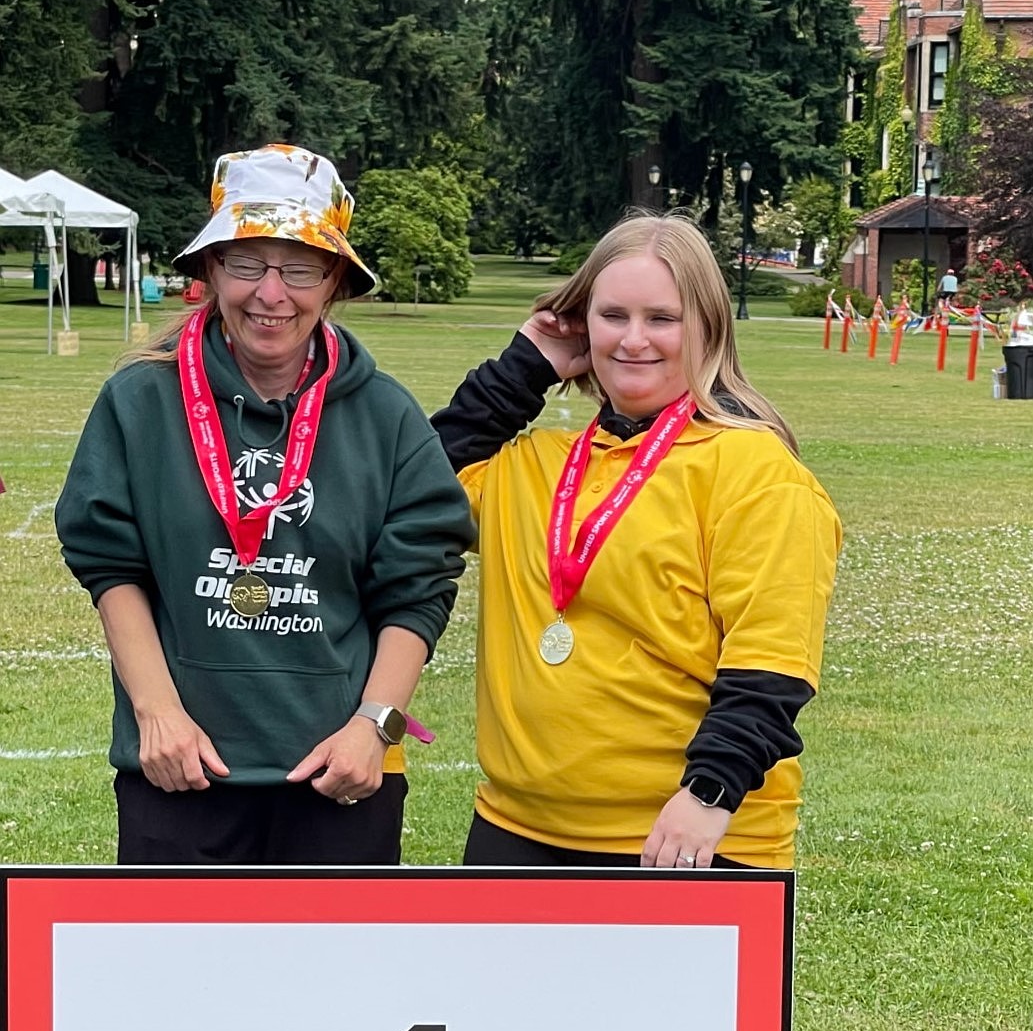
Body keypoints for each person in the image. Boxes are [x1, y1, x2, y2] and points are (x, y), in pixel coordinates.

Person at [56, 143, 474, 866]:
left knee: (336, 982)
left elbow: (418, 588)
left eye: (300, 267)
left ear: (335, 278)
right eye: (246, 262)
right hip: (178, 772)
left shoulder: (386, 415)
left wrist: (373, 727)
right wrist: (158, 714)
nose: (270, 292)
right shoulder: (140, 400)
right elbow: (108, 562)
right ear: (212, 268)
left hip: (337, 780)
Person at [431, 212, 842, 871]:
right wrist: (522, 368)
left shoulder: (756, 472)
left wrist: (708, 794)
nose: (632, 340)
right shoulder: (534, 463)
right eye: (611, 315)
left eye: (661, 318)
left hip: (684, 837)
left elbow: (770, 660)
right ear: (579, 323)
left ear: (707, 327)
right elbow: (413, 490)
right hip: (515, 828)